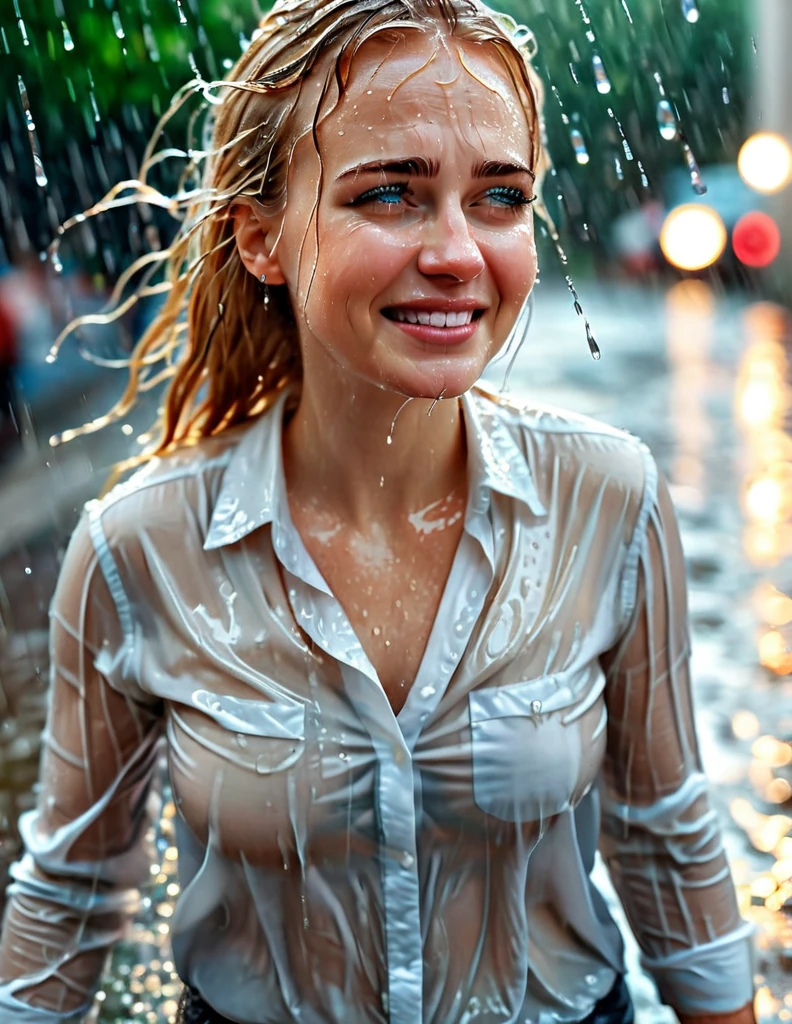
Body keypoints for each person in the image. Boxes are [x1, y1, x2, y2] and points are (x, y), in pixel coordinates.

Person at [0, 1, 756, 1022]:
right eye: (391, 194)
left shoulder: (609, 499)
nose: (456, 251)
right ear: (261, 239)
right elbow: (69, 895)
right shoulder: (141, 548)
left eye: (499, 196)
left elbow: (667, 838)